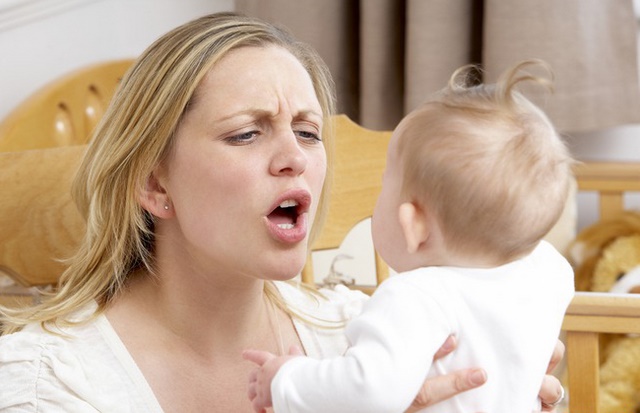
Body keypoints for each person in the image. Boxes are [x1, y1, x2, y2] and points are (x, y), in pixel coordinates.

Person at [0, 12, 564, 412]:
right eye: (247, 133)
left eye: (308, 131)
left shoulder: (363, 338)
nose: (295, 158)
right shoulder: (47, 384)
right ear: (154, 183)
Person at [243, 60, 574, 413]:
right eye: (244, 133)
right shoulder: (550, 272)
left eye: (387, 180)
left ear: (412, 225)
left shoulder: (415, 297)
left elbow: (369, 390)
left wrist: (286, 379)